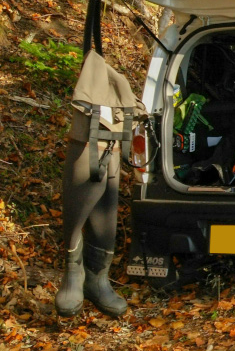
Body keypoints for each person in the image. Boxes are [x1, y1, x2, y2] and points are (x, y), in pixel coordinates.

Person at [55, 49, 145, 317]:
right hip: (88, 146)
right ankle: (73, 273)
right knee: (80, 206)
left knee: (107, 210)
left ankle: (97, 278)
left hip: (111, 149)